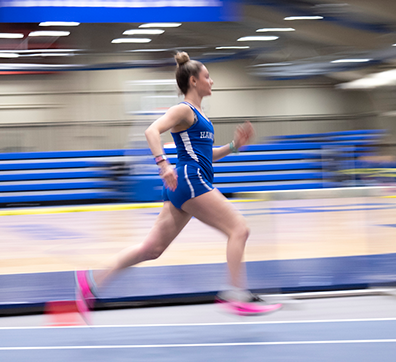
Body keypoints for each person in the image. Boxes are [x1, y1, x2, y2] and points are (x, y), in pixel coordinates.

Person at [75, 51, 281, 320]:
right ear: (194, 81)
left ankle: (91, 281)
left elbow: (208, 155)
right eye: (208, 77)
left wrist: (234, 146)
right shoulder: (183, 109)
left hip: (186, 183)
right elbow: (151, 131)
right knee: (239, 228)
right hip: (189, 180)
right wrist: (162, 164)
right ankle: (235, 294)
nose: (212, 81)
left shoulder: (200, 115)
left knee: (152, 249)